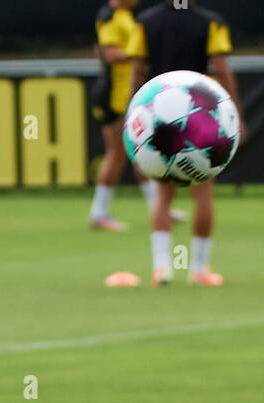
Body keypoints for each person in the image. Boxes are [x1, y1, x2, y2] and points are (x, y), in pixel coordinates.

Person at [127, 0, 244, 286]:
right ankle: (200, 269)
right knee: (203, 193)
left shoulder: (145, 21)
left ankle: (162, 268)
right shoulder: (210, 21)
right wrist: (235, 114)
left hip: (158, 119)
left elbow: (137, 70)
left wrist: (132, 115)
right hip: (197, 117)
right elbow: (221, 68)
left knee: (163, 194)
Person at [88, 0, 186, 231]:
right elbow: (110, 54)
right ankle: (98, 212)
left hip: (129, 98)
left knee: (141, 152)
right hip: (113, 97)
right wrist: (141, 54)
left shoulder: (129, 16)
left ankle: (158, 208)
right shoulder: (110, 15)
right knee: (117, 153)